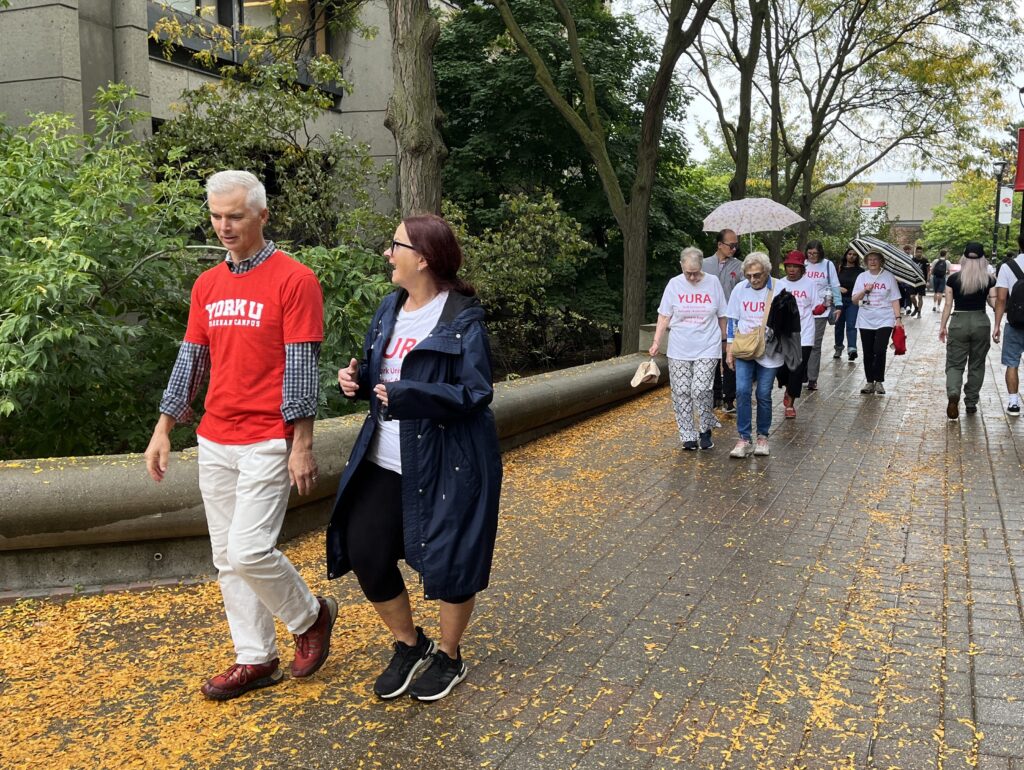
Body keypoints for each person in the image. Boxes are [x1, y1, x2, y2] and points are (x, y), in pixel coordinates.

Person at [144, 170, 336, 701]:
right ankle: (255, 658)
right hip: (214, 437)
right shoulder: (207, 284)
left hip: (267, 438)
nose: (224, 226)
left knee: (250, 551)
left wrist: (302, 444)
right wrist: (164, 429)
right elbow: (191, 362)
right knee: (226, 558)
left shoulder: (295, 280)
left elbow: (301, 367)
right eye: (216, 216)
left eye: (235, 216)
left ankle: (310, 615)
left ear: (262, 216)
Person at [329, 214, 502, 701]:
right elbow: (377, 372)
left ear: (423, 258)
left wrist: (409, 396)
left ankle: (449, 654)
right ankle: (410, 643)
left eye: (395, 245)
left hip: (449, 460)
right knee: (365, 551)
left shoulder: (463, 318)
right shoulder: (389, 308)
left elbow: (476, 391)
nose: (388, 253)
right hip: (385, 458)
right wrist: (357, 382)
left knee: (450, 561)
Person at [650, 247, 727, 450]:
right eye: (688, 273)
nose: (692, 277)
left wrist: (726, 341)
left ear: (701, 266)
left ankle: (704, 429)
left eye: (695, 272)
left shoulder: (713, 282)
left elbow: (722, 315)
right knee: (682, 391)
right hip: (679, 347)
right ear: (681, 266)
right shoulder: (674, 284)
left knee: (701, 389)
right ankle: (687, 435)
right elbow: (664, 315)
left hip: (708, 344)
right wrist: (657, 341)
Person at [725, 252, 782, 458]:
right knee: (741, 391)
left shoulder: (779, 288)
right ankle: (744, 438)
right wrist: (729, 350)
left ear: (766, 272)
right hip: (744, 347)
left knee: (763, 394)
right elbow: (732, 321)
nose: (753, 279)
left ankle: (763, 437)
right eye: (749, 275)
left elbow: (790, 320)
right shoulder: (740, 290)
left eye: (757, 275)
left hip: (771, 350)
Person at [939, 242, 996, 419]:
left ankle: (953, 394)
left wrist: (942, 326)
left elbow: (948, 305)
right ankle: (971, 402)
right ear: (982, 260)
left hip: (958, 321)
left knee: (955, 364)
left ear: (964, 258)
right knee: (977, 364)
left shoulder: (953, 280)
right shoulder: (989, 279)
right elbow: (994, 303)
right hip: (980, 321)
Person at [776, 250, 822, 419]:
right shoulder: (779, 284)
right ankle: (787, 386)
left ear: (802, 268)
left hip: (805, 332)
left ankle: (790, 402)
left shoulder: (810, 284)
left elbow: (817, 306)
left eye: (796, 266)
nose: (792, 269)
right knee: (782, 369)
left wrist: (821, 308)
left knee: (797, 368)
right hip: (784, 334)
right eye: (789, 266)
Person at [852, 250, 903, 395]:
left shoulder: (888, 277)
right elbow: (854, 300)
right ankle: (869, 382)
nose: (872, 262)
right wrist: (864, 291)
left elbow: (894, 299)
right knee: (868, 351)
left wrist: (898, 319)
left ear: (881, 261)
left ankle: (879, 381)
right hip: (865, 318)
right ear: (866, 262)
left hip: (885, 317)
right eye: (870, 259)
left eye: (876, 259)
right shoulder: (862, 277)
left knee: (880, 349)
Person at [704, 229, 744, 413]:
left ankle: (730, 399)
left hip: (730, 318)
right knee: (711, 357)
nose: (734, 249)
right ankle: (715, 396)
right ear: (720, 245)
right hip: (708, 319)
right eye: (731, 245)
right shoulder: (704, 265)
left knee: (730, 357)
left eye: (736, 245)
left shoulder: (740, 267)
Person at [992, 233, 1024, 416]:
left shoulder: (1007, 267)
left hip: (1015, 322)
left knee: (1012, 363)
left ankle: (1013, 403)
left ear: (1019, 244)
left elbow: (1001, 299)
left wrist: (997, 325)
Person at [803, 240, 841, 389]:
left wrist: (838, 304)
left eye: (815, 253)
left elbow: (835, 284)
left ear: (820, 253)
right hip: (802, 310)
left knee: (815, 345)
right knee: (801, 343)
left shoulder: (827, 265)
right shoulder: (802, 264)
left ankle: (812, 378)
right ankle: (803, 372)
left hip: (821, 309)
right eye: (810, 252)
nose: (812, 256)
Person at [834, 247, 864, 361]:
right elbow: (832, 283)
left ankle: (852, 349)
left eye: (855, 255)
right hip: (839, 301)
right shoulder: (839, 269)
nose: (852, 256)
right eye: (850, 254)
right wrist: (838, 288)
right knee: (839, 326)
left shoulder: (860, 271)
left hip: (853, 301)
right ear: (846, 255)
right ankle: (838, 347)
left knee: (852, 325)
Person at [911, 246, 929, 317]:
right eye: (917, 252)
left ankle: (919, 312)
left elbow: (928, 271)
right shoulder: (912, 260)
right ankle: (916, 308)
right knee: (912, 296)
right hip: (914, 280)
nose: (919, 253)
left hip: (922, 281)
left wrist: (928, 281)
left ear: (922, 252)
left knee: (920, 297)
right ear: (915, 252)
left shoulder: (925, 261)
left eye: (920, 252)